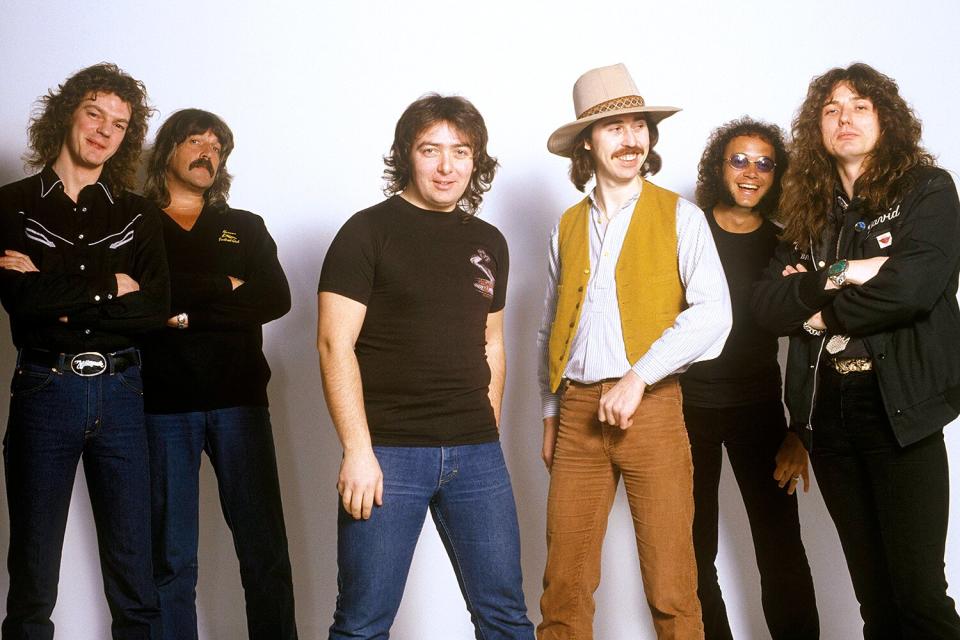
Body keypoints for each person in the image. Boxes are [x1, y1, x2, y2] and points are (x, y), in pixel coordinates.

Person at [752, 62, 960, 639]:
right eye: (831, 109)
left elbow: (914, 289)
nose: (845, 118)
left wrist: (822, 306)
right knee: (875, 603)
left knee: (919, 598)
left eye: (860, 106)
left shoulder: (928, 189)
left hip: (902, 411)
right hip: (830, 420)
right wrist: (848, 271)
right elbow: (768, 306)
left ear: (885, 119)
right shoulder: (808, 211)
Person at [317, 93, 534, 640]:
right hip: (388, 455)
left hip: (476, 454)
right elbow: (332, 346)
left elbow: (492, 343)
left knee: (506, 618)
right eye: (430, 149)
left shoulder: (489, 242)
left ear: (476, 160)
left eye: (460, 152)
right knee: (363, 623)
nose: (446, 166)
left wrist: (486, 426)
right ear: (406, 155)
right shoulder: (366, 232)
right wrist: (358, 451)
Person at [537, 62, 731, 639]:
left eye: (638, 125)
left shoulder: (682, 217)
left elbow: (715, 314)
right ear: (587, 144)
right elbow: (550, 326)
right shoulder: (565, 226)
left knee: (673, 585)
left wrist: (639, 377)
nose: (630, 138)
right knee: (564, 588)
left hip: (653, 410)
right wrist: (550, 413)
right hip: (575, 416)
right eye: (613, 126)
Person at [0, 62, 167, 638]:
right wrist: (110, 284)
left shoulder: (140, 213)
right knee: (33, 576)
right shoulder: (12, 205)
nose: (103, 130)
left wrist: (57, 288)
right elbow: (19, 300)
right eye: (94, 113)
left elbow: (153, 309)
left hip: (123, 393)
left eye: (119, 124)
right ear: (66, 114)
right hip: (44, 390)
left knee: (134, 576)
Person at [141, 109, 297, 640]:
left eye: (217, 145)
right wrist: (224, 284)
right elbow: (141, 297)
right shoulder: (135, 223)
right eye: (195, 140)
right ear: (168, 150)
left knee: (264, 552)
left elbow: (275, 297)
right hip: (160, 406)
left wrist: (186, 314)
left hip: (240, 404)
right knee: (170, 559)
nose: (208, 151)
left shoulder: (244, 226)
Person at [680, 117, 818, 639]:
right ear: (719, 167)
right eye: (739, 159)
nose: (751, 172)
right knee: (692, 551)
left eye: (765, 163)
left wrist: (800, 434)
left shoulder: (787, 248)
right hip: (686, 409)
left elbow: (810, 343)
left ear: (777, 176)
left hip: (760, 410)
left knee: (781, 546)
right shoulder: (687, 233)